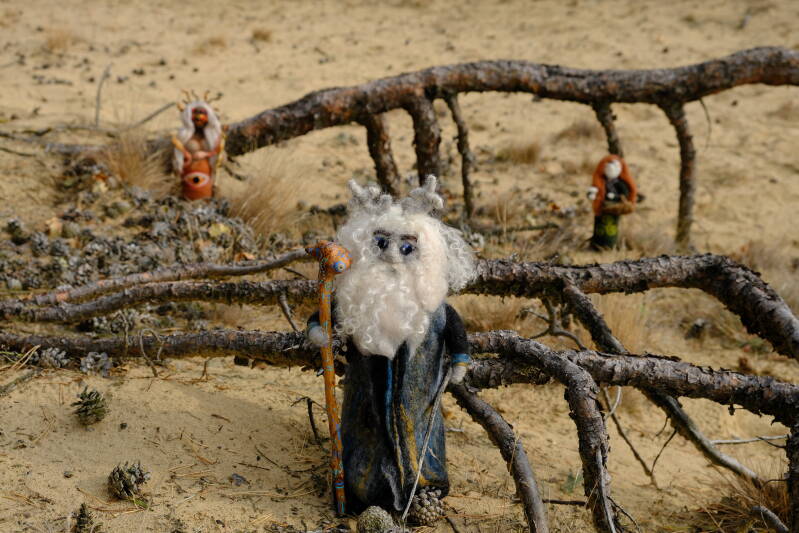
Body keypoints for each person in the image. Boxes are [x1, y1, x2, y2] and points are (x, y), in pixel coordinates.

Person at [306, 177, 476, 524]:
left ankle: (420, 490)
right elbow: (324, 316)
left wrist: (460, 359)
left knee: (417, 440)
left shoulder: (433, 306)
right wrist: (317, 331)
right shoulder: (355, 300)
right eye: (381, 243)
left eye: (407, 247)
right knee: (365, 437)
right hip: (364, 397)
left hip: (417, 399)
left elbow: (455, 331)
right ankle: (361, 494)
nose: (392, 255)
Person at [171, 96, 225, 200]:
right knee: (186, 199)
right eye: (196, 115)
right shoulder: (184, 135)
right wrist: (184, 156)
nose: (199, 119)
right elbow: (177, 152)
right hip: (187, 173)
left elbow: (218, 153)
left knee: (205, 199)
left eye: (203, 114)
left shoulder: (213, 136)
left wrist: (208, 154)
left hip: (207, 174)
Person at [587, 154, 637, 249]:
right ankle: (597, 245)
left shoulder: (620, 183)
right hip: (602, 207)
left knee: (612, 228)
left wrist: (615, 197)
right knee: (599, 227)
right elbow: (595, 190)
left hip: (614, 208)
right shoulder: (601, 181)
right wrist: (592, 194)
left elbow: (625, 194)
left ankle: (610, 246)